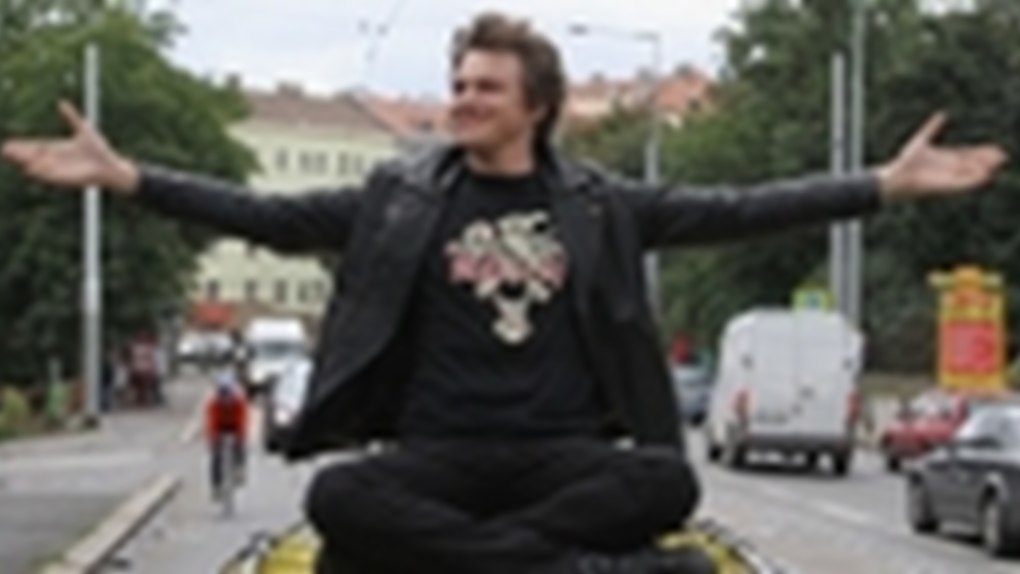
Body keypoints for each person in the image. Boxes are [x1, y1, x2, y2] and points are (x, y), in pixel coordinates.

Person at [0, 11, 1007, 574]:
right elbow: (267, 216)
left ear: (537, 105)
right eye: (458, 83)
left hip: (560, 455)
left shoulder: (601, 204)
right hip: (439, 452)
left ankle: (483, 566)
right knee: (339, 494)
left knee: (667, 484)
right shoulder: (399, 199)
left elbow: (742, 207)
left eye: (484, 87)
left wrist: (882, 184)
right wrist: (126, 177)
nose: (462, 100)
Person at [203, 370, 249, 497]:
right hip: (219, 424)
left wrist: (240, 436)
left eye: (227, 392)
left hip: (234, 424)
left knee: (240, 446)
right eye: (222, 392)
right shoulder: (213, 401)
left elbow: (242, 420)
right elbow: (211, 422)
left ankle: (239, 468)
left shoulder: (239, 400)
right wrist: (213, 439)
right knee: (215, 455)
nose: (225, 396)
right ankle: (216, 485)